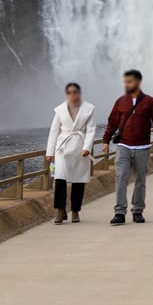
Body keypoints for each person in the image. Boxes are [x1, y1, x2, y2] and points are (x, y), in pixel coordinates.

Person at [102, 69, 153, 225]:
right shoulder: (120, 101)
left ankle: (137, 210)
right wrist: (105, 141)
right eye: (125, 82)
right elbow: (112, 123)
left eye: (129, 81)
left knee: (140, 180)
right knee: (121, 177)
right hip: (123, 145)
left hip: (143, 147)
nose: (127, 84)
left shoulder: (149, 101)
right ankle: (119, 212)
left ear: (138, 82)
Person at [45, 82, 95, 225]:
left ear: (79, 93)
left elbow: (91, 130)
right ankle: (60, 210)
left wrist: (87, 147)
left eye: (75, 92)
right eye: (69, 92)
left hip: (80, 147)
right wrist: (50, 151)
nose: (72, 94)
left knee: (78, 181)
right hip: (62, 148)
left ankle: (75, 211)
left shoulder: (88, 109)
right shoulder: (60, 110)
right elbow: (54, 131)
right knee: (59, 179)